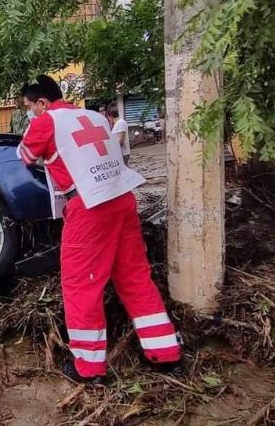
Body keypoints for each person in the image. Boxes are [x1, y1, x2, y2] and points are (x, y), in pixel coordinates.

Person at [18, 75, 182, 385]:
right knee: (134, 277)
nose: (30, 113)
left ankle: (89, 368)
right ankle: (166, 354)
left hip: (89, 208)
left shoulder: (47, 121)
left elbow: (26, 155)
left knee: (81, 285)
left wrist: (38, 138)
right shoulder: (95, 116)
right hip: (122, 199)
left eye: (30, 107)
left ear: (42, 102)